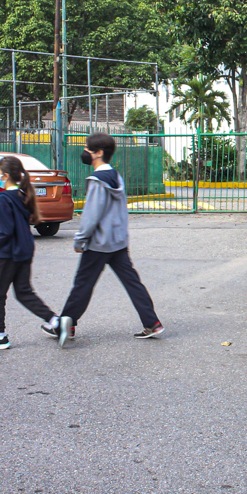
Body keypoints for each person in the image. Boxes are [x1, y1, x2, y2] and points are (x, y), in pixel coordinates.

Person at [54, 133, 162, 347]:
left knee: (82, 284)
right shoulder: (116, 177)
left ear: (99, 153)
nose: (85, 152)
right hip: (118, 242)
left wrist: (79, 240)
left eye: (87, 148)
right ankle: (153, 322)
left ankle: (65, 324)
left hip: (99, 243)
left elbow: (91, 215)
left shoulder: (97, 181)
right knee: (132, 283)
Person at [0, 156, 61, 350]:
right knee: (23, 292)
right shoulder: (22, 195)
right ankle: (56, 322)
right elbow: (14, 226)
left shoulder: (4, 199)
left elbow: (7, 233)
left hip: (11, 252)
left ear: (6, 175)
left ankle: (0, 337)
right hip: (25, 248)